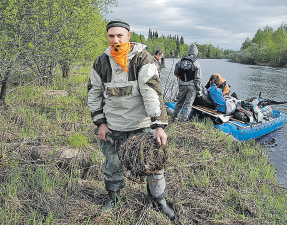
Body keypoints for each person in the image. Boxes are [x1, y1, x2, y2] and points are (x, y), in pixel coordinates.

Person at [87, 18, 175, 220]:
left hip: (142, 125)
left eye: (120, 35)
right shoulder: (101, 62)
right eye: (111, 36)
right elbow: (94, 94)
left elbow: (151, 92)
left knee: (153, 163)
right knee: (113, 162)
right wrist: (100, 124)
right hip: (114, 125)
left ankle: (159, 200)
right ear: (108, 37)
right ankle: (113, 197)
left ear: (128, 36)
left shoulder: (143, 59)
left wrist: (159, 126)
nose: (115, 39)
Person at [171, 43, 203, 122]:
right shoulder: (196, 63)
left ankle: (174, 117)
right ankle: (184, 121)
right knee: (188, 104)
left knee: (179, 102)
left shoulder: (180, 62)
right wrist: (199, 89)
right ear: (196, 53)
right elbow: (198, 79)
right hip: (191, 87)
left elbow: (175, 73)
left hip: (181, 84)